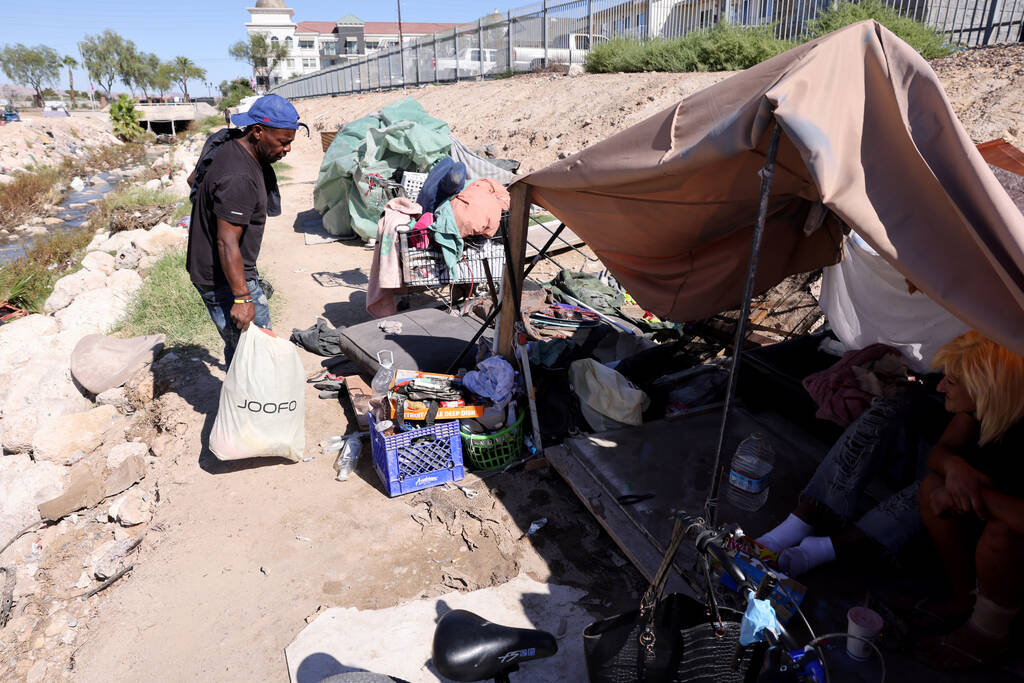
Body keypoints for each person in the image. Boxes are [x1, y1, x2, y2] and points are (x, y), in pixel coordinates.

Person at [913, 332, 1024, 671]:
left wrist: (969, 494)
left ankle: (990, 632)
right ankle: (964, 600)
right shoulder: (977, 410)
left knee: (1001, 536)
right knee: (932, 486)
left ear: (984, 386)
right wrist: (955, 468)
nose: (940, 388)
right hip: (994, 518)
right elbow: (939, 456)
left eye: (952, 381)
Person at [185, 94, 300, 366]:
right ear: (258, 131)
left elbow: (193, 179)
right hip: (223, 280)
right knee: (258, 355)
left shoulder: (227, 142)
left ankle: (239, 399)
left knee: (240, 349)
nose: (287, 150)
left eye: (290, 142)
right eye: (283, 142)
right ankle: (252, 406)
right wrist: (242, 297)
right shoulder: (239, 177)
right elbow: (226, 242)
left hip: (218, 270)